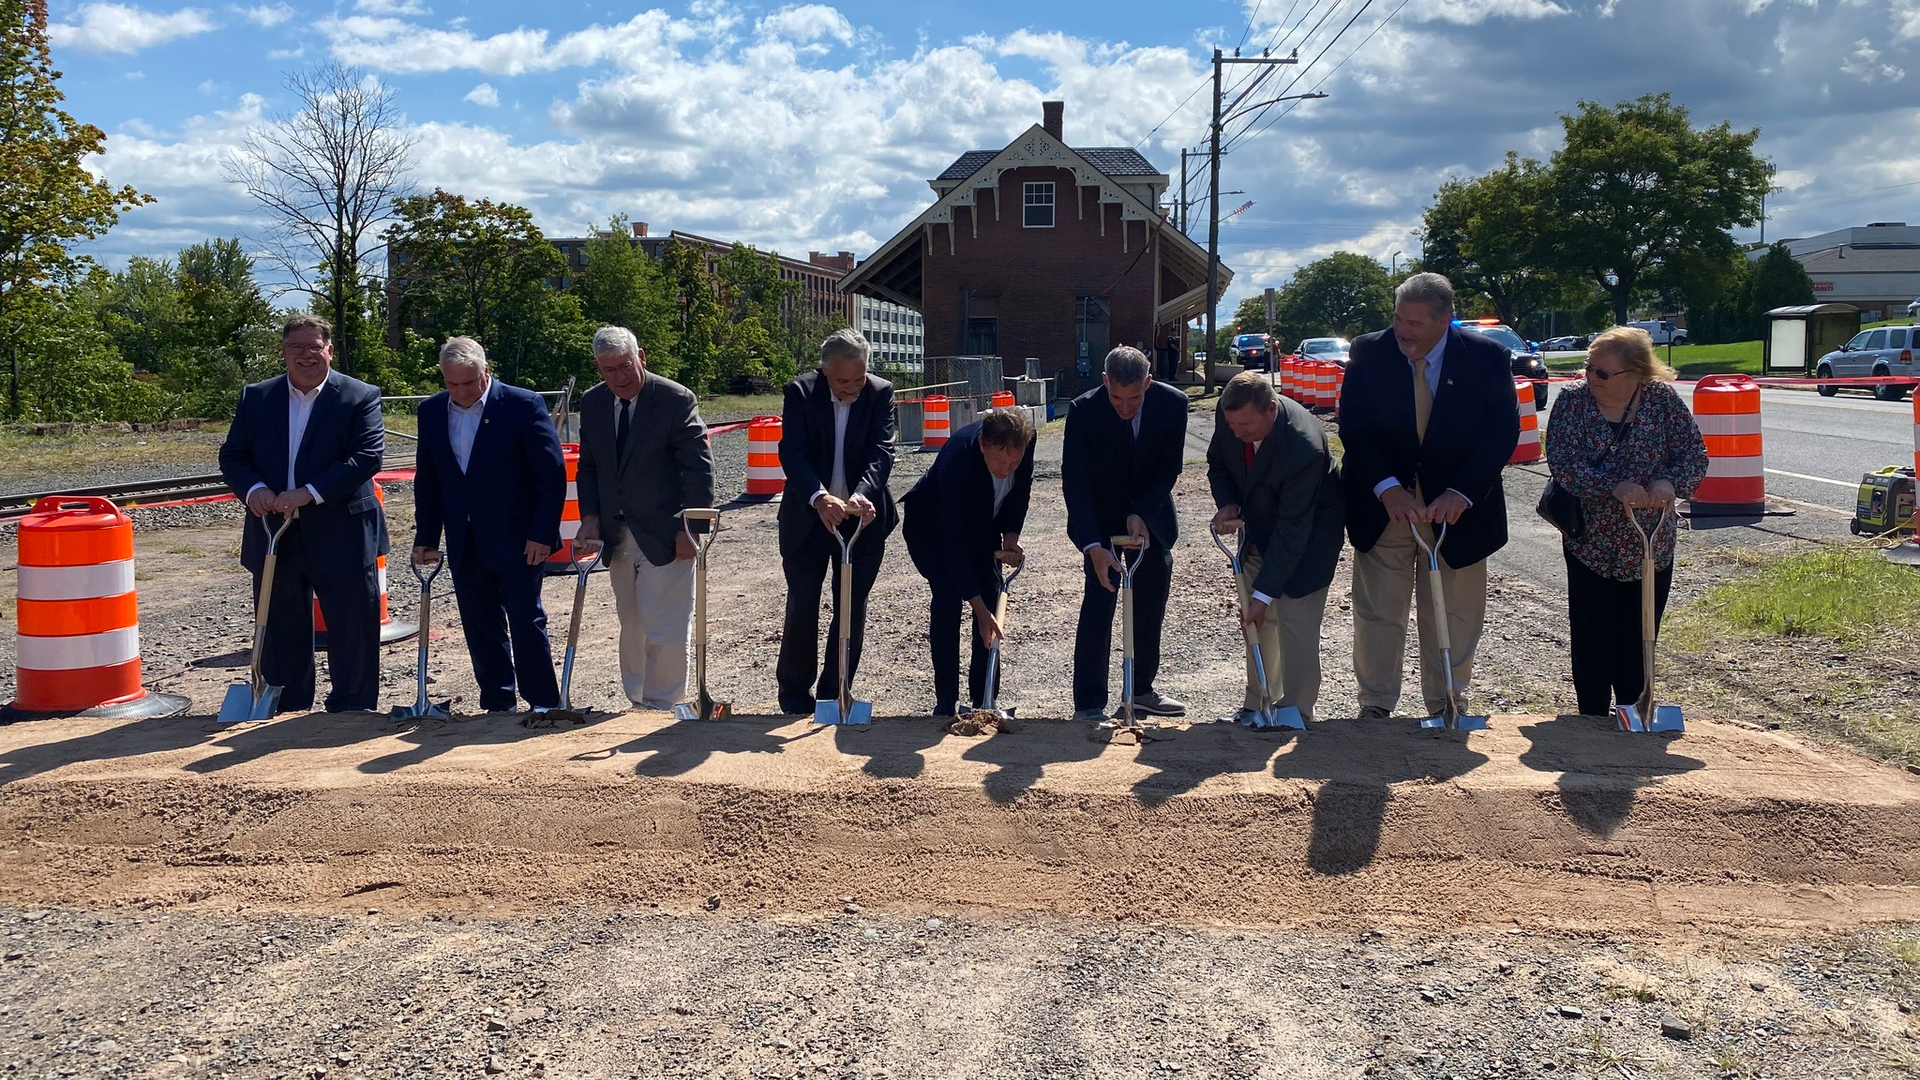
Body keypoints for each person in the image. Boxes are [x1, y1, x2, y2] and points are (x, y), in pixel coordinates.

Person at [1339, 272, 1520, 720]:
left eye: (1415, 323)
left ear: (1445, 321)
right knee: (1379, 608)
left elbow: (1500, 433)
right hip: (1386, 508)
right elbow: (1356, 431)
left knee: (1455, 611)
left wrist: (1462, 492)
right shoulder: (1369, 351)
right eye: (1399, 318)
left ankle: (1447, 703)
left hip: (1458, 510)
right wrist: (1388, 489)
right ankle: (1376, 704)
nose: (1403, 330)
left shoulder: (1486, 358)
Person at [217, 313, 385, 714]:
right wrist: (255, 490)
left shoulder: (359, 395)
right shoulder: (256, 397)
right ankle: (289, 708)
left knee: (351, 629)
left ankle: (352, 711)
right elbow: (234, 456)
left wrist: (307, 494)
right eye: (297, 348)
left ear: (329, 349)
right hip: (275, 533)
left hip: (341, 531)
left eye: (314, 347)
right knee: (281, 629)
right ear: (283, 353)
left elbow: (366, 457)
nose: (306, 356)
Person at [1543, 326, 1708, 717]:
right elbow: (1564, 465)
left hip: (1650, 541)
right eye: (1588, 368)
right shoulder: (1572, 402)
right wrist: (1613, 485)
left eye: (1602, 372)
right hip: (1591, 542)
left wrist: (1670, 481)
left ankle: (1636, 711)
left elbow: (1694, 456)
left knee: (1641, 632)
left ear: (1636, 374)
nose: (1590, 378)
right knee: (1592, 634)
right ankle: (1593, 718)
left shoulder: (1661, 401)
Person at [410, 336, 567, 714]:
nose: (461, 391)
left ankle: (543, 701)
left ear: (486, 372)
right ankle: (497, 701)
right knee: (479, 622)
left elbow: (551, 475)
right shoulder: (431, 411)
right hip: (464, 538)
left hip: (518, 537)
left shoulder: (521, 404)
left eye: (469, 382)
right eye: (452, 384)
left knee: (525, 619)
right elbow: (428, 479)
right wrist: (427, 537)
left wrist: (542, 534)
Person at [573, 326, 714, 711]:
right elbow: (588, 467)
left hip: (667, 530)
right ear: (598, 369)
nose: (619, 377)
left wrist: (692, 529)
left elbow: (698, 469)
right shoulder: (593, 403)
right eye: (608, 370)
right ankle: (638, 700)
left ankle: (663, 703)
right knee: (631, 623)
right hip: (616, 533)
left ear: (642, 358)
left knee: (665, 623)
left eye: (625, 366)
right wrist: (589, 519)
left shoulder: (674, 399)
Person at [1206, 371, 1344, 724]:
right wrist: (1228, 502)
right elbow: (1218, 464)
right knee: (1257, 622)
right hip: (1259, 530)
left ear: (1271, 409)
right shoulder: (1233, 418)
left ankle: (1295, 710)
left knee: (1295, 621)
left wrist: (1264, 595)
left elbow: (1292, 529)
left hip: (1309, 537)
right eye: (1233, 424)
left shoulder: (1303, 447)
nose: (1238, 433)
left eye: (1246, 425)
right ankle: (1258, 702)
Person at [1061, 345, 1188, 722]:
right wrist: (1093, 545)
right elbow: (1076, 483)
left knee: (1150, 606)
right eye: (1117, 397)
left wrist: (1142, 513)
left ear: (1149, 383)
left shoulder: (1173, 404)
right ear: (1104, 382)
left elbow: (1169, 468)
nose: (1125, 406)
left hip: (1152, 522)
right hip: (1101, 523)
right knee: (1098, 605)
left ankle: (1141, 690)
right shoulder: (1084, 410)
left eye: (1135, 398)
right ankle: (1088, 702)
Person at [775, 329, 898, 715]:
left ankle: (835, 693)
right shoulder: (800, 392)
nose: (853, 388)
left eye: (859, 379)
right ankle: (794, 694)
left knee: (851, 606)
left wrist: (862, 493)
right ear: (825, 372)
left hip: (862, 519)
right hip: (808, 518)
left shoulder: (880, 393)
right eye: (843, 381)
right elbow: (792, 453)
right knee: (802, 602)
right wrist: (819, 497)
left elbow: (882, 451)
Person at [901, 407, 1037, 718]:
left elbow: (1022, 488)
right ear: (982, 446)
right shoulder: (957, 463)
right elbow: (953, 543)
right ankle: (946, 703)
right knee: (950, 599)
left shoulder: (1023, 443)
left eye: (1013, 461)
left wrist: (1011, 537)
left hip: (981, 524)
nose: (1007, 468)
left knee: (992, 602)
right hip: (933, 530)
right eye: (1000, 461)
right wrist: (978, 609)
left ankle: (984, 699)